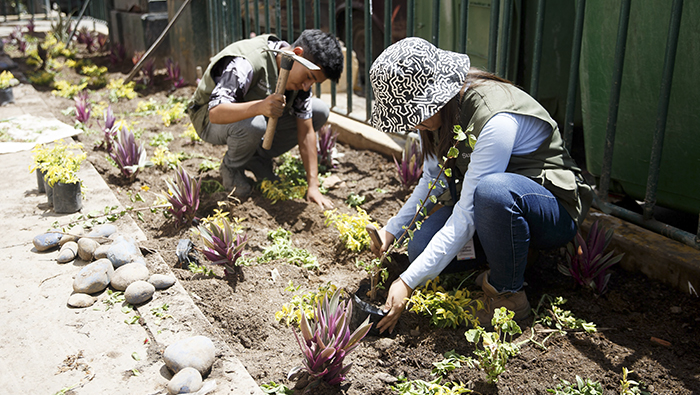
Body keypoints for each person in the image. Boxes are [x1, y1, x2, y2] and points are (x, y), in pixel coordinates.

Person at [368, 37, 593, 334]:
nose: (413, 125)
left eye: (415, 115)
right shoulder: (442, 117)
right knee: (419, 249)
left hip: (549, 209)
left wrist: (407, 282)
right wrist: (392, 229)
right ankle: (515, 256)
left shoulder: (495, 119)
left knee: (493, 191)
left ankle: (508, 292)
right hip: (495, 210)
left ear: (437, 95)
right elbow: (432, 180)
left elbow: (469, 210)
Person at [187, 29, 343, 208]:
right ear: (297, 53)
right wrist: (260, 107)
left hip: (251, 120)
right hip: (207, 118)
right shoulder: (247, 62)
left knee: (319, 111)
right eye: (309, 77)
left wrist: (313, 186)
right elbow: (216, 112)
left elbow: (306, 131)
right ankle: (232, 168)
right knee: (255, 124)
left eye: (314, 82)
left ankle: (257, 158)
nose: (307, 86)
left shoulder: (299, 82)